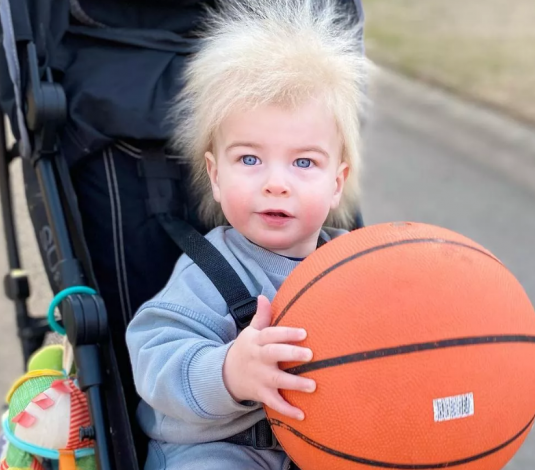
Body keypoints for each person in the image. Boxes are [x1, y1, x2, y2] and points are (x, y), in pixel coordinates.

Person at [125, 1, 372, 468]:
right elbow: (154, 356)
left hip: (328, 441)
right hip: (220, 448)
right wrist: (228, 373)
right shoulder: (207, 270)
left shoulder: (355, 265)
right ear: (216, 176)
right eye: (250, 160)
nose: (275, 182)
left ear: (336, 183)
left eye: (304, 162)